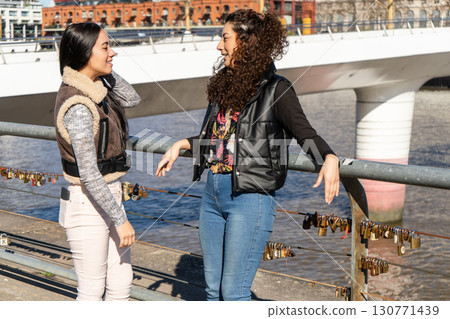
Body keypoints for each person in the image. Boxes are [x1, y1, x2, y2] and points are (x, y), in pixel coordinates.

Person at [156, 9, 340, 301]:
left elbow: (305, 133)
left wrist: (329, 157)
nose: (219, 45)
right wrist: (183, 144)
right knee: (212, 289)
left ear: (246, 41)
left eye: (225, 38)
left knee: (234, 292)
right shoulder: (223, 85)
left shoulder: (277, 89)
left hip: (250, 198)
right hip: (212, 194)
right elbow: (220, 139)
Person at [54, 23, 140, 300]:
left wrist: (104, 69)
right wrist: (121, 219)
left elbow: (132, 98)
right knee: (92, 291)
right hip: (87, 202)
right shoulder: (78, 104)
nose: (112, 52)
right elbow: (89, 173)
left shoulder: (96, 90)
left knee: (120, 284)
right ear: (83, 53)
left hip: (108, 197)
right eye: (105, 47)